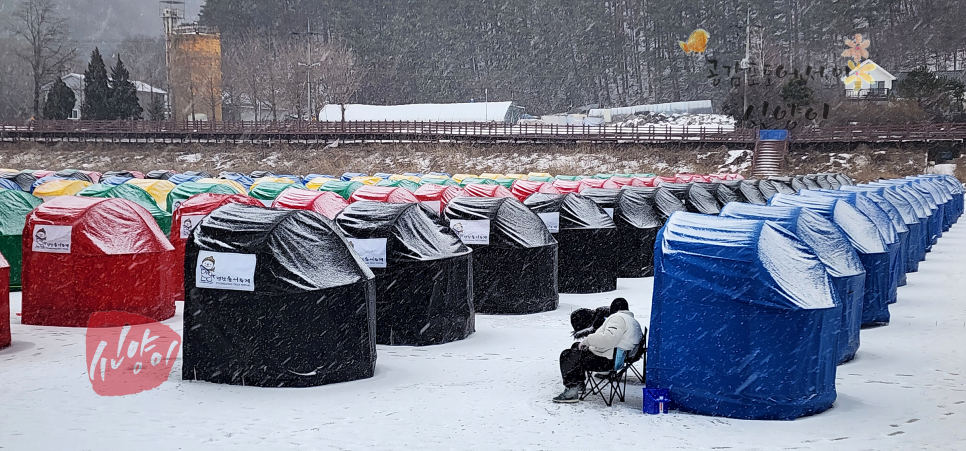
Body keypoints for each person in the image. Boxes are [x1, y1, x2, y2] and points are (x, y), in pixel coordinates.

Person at [553, 298, 643, 403]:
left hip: (606, 362)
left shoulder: (618, 318)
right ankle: (578, 383)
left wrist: (588, 341)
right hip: (617, 358)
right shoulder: (632, 321)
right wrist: (590, 346)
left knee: (567, 355)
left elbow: (609, 339)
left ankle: (572, 390)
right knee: (576, 346)